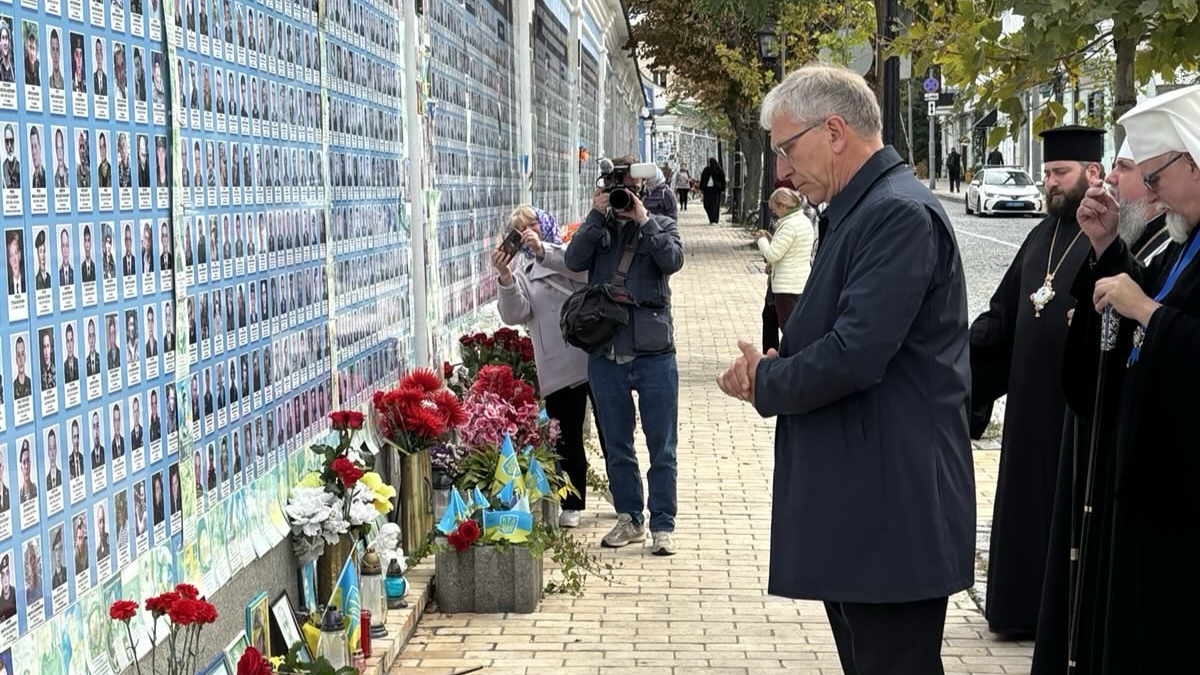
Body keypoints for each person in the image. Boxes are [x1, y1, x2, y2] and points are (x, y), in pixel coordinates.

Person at [716, 64, 974, 673]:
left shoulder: (897, 213)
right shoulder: (858, 208)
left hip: (891, 507)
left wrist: (768, 380)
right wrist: (784, 359)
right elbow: (841, 331)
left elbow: (857, 353)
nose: (781, 169)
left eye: (786, 147)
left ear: (834, 131)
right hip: (864, 502)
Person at [1045, 84, 1200, 674]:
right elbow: (1141, 296)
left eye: (1154, 177)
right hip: (1150, 490)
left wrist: (1148, 313)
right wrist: (1108, 247)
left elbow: (1160, 317)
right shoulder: (1181, 239)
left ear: (1191, 160)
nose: (1152, 194)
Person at [970, 125, 1105, 638]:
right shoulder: (1039, 235)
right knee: (1026, 503)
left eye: (1060, 173)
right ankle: (1018, 611)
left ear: (1092, 173)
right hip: (1028, 407)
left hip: (1073, 410)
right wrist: (955, 357)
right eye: (1047, 174)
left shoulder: (1106, 237)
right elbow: (1003, 317)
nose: (1051, 183)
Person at [565, 153, 684, 556]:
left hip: (654, 353)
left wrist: (643, 219)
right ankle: (629, 517)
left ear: (642, 190)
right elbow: (572, 261)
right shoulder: (599, 231)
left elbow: (672, 260)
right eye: (617, 190)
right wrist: (596, 217)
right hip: (606, 352)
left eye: (629, 191)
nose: (623, 197)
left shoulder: (661, 224)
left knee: (661, 444)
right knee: (617, 444)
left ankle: (663, 524)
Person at [493, 205, 602, 528]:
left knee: (612, 432)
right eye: (519, 231)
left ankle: (628, 501)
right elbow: (516, 313)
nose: (528, 234)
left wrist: (544, 251)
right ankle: (572, 502)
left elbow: (584, 274)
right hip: (557, 363)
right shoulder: (522, 272)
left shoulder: (569, 252)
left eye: (533, 225)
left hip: (592, 353)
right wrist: (505, 277)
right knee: (566, 436)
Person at [754, 188, 814, 326]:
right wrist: (771, 238)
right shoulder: (803, 221)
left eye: (775, 208)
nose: (774, 212)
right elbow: (788, 248)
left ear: (783, 206)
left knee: (788, 328)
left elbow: (772, 254)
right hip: (800, 282)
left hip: (787, 286)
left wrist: (761, 240)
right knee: (798, 325)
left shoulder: (789, 226)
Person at [699, 157, 726, 225]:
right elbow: (702, 179)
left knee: (714, 205)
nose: (708, 164)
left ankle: (714, 220)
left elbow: (722, 179)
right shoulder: (706, 170)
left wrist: (722, 188)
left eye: (709, 162)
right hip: (707, 189)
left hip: (715, 189)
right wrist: (701, 188)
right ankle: (711, 218)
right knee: (706, 205)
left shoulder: (718, 170)